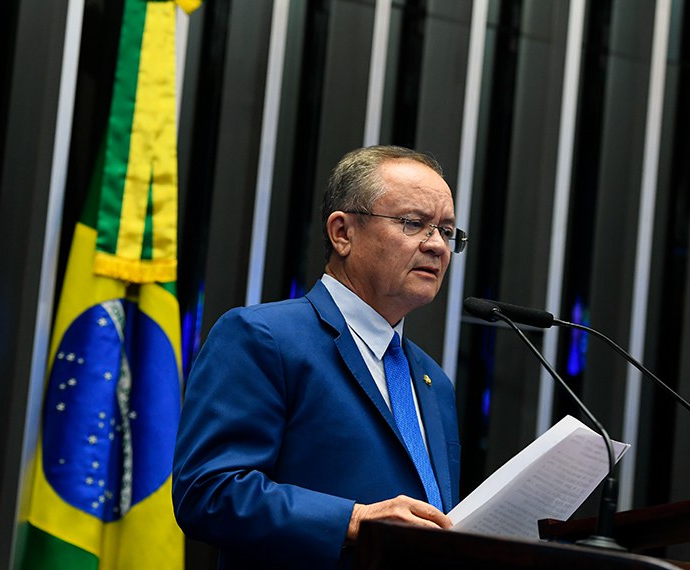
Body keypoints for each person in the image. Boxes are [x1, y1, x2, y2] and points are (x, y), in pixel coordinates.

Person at [172, 145, 468, 569]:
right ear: (342, 233)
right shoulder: (264, 338)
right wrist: (354, 520)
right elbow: (209, 490)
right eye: (413, 223)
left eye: (446, 231)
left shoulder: (434, 382)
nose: (437, 245)